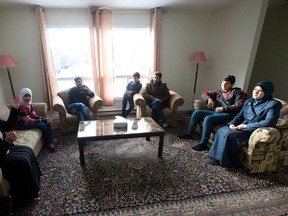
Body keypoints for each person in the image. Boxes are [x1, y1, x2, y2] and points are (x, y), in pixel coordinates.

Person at [208, 81, 282, 167]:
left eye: (260, 91)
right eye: (255, 89)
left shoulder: (273, 104)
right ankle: (216, 157)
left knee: (230, 135)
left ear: (267, 92)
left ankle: (226, 161)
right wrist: (231, 124)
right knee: (222, 130)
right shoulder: (248, 101)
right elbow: (239, 116)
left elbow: (270, 122)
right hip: (241, 126)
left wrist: (246, 126)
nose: (256, 92)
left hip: (253, 129)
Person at [178, 75, 247, 151]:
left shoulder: (238, 92)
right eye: (223, 82)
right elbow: (204, 94)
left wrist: (223, 108)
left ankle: (203, 144)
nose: (223, 85)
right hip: (216, 113)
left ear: (232, 85)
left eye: (226, 83)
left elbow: (239, 105)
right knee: (196, 113)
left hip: (229, 115)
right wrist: (209, 99)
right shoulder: (219, 92)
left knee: (208, 118)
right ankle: (189, 133)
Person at [0, 96, 41, 210]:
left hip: (5, 148)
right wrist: (7, 142)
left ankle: (35, 183)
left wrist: (14, 109)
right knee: (22, 161)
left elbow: (7, 126)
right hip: (2, 155)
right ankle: (27, 196)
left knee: (27, 151)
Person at [16, 88, 57, 152]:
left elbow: (33, 115)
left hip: (27, 121)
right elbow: (28, 120)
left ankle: (50, 139)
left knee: (47, 122)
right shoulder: (21, 106)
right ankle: (48, 143)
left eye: (29, 96)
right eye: (25, 96)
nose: (27, 98)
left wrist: (44, 119)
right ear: (21, 96)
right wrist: (43, 120)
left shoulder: (29, 104)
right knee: (42, 125)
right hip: (21, 124)